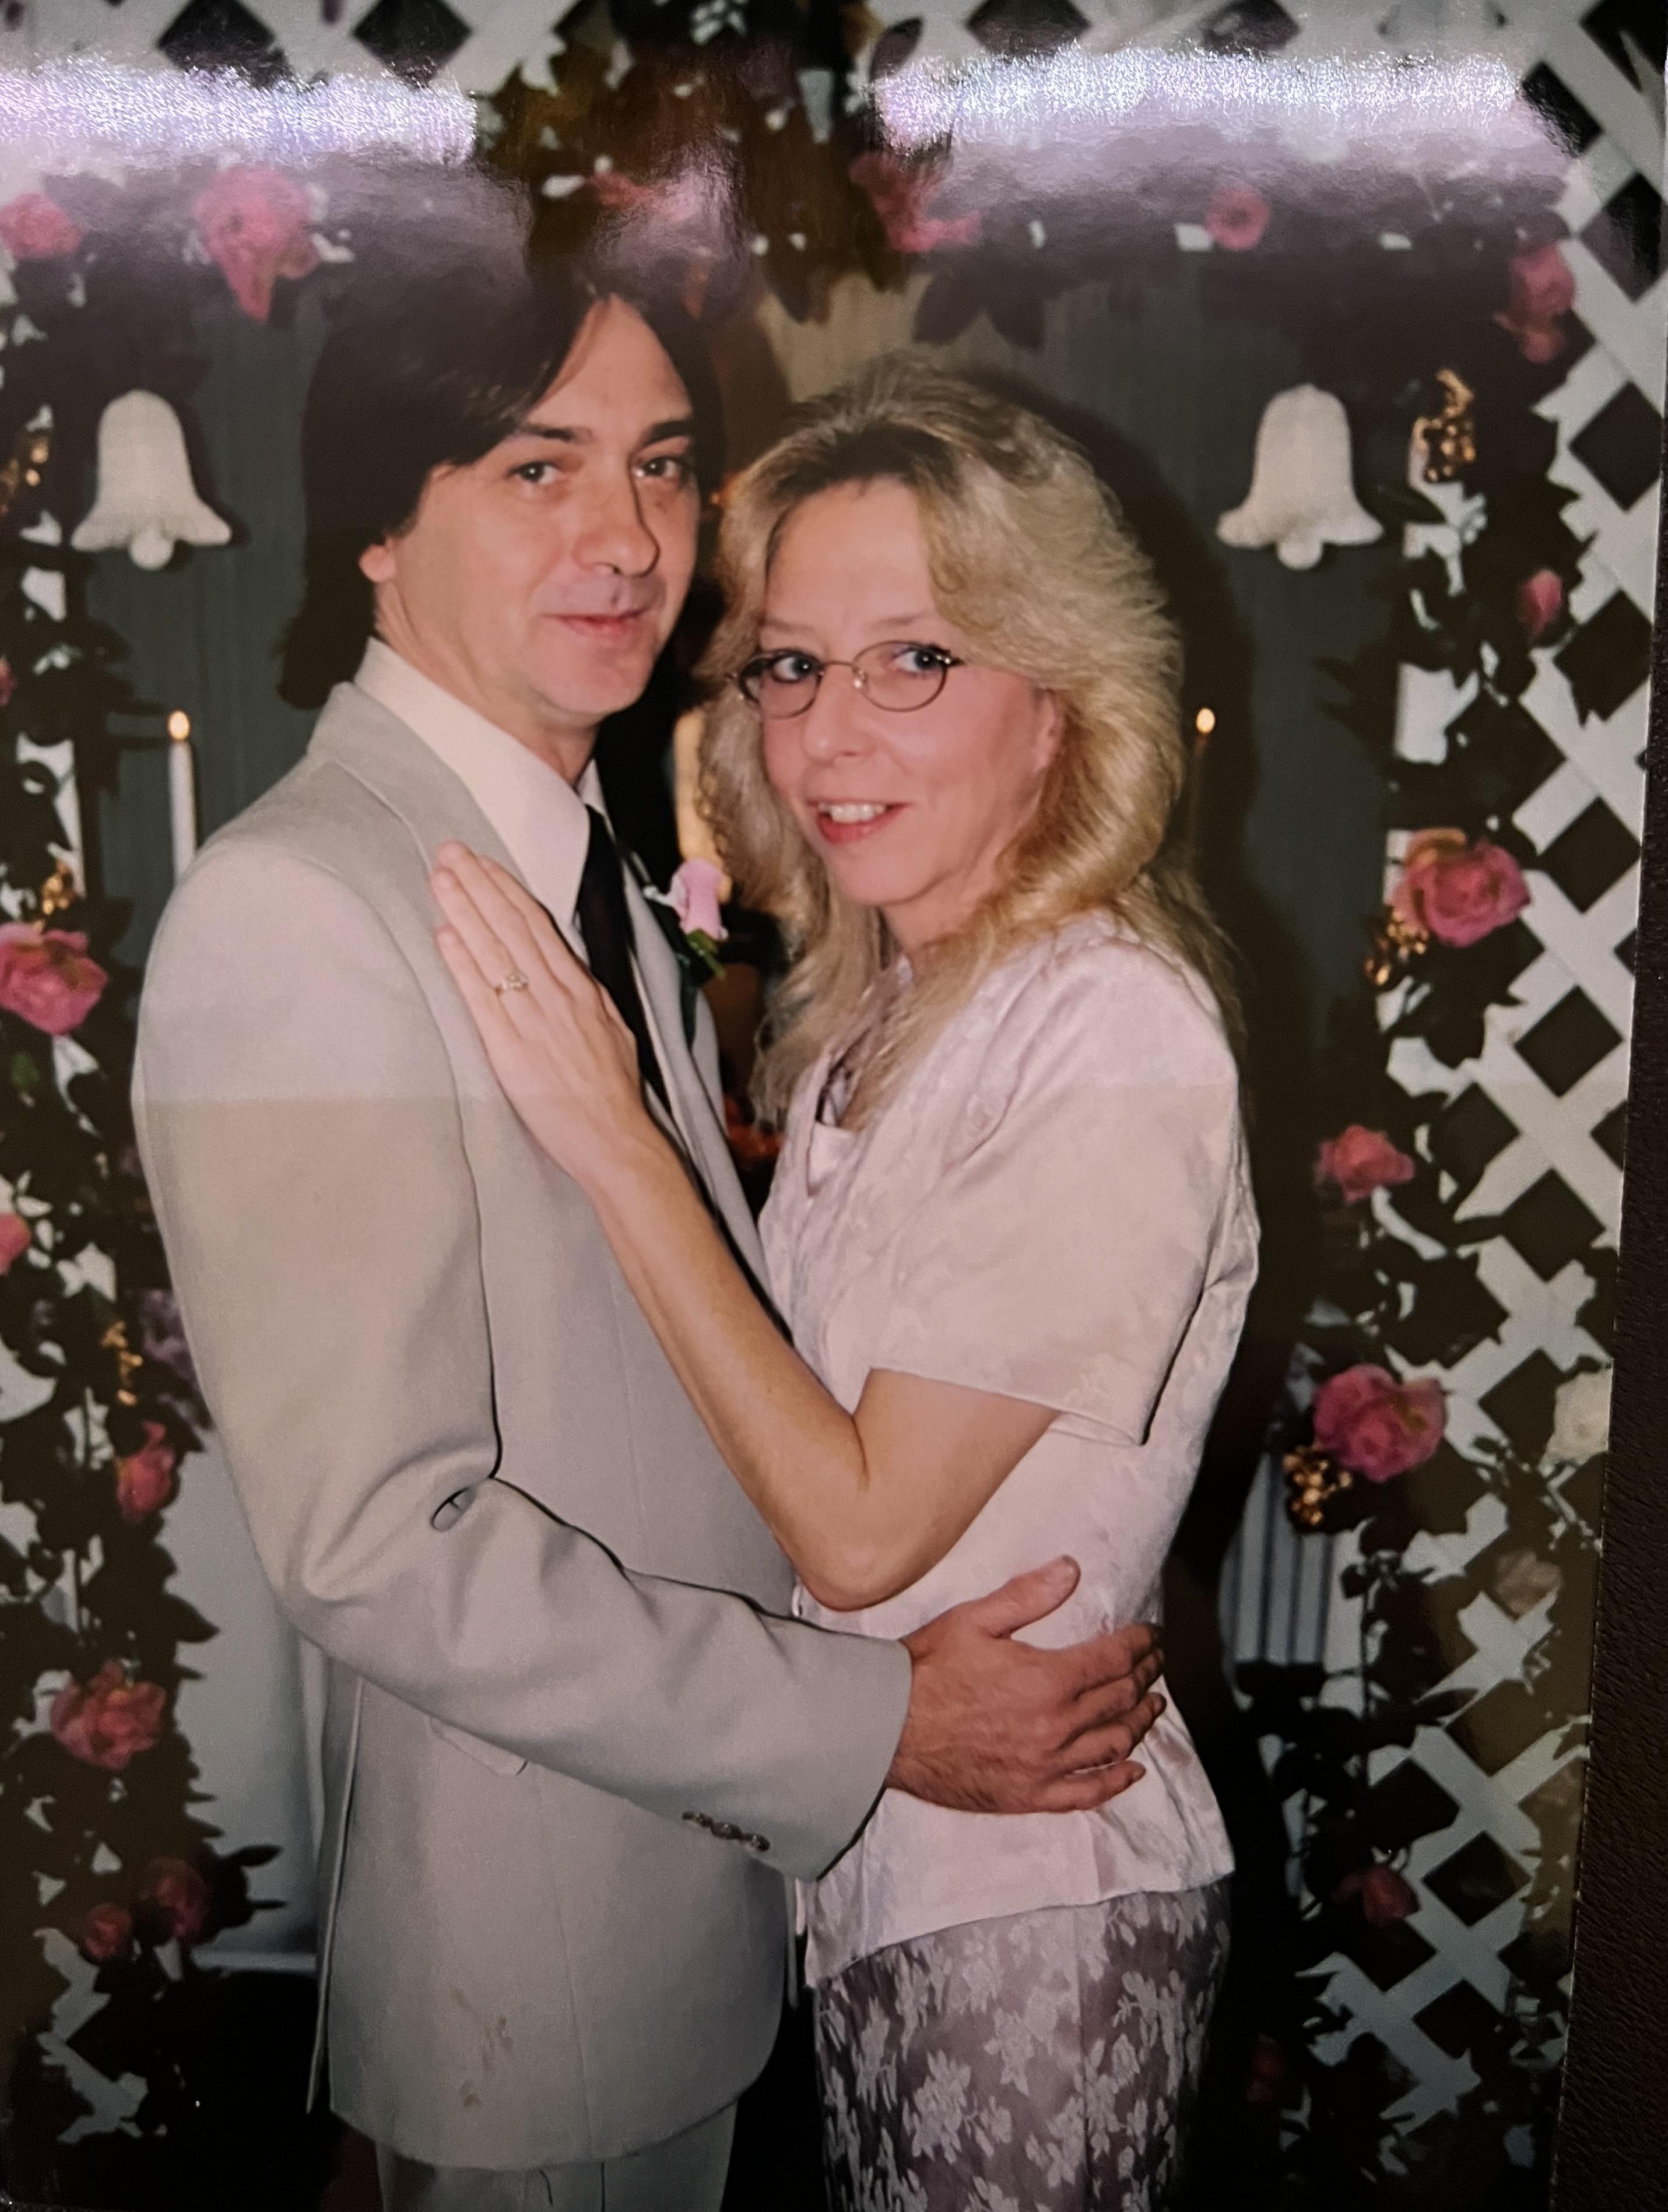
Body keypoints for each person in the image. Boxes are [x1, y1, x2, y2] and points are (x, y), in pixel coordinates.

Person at [130, 237, 1167, 2212]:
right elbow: (380, 1547)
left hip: (686, 1933)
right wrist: (875, 1723)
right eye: (541, 466)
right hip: (545, 1975)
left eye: (666, 465)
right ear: (379, 526)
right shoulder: (303, 914)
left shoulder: (584, 862)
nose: (627, 538)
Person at [431, 356, 1257, 2210]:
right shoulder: (878, 1018)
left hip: (1034, 1903)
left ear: (1061, 705)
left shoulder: (1110, 1027)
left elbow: (865, 1532)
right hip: (882, 1871)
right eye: (794, 666)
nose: (829, 737)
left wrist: (614, 1135)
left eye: (918, 661)